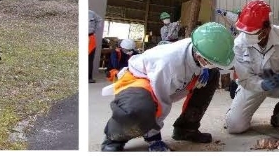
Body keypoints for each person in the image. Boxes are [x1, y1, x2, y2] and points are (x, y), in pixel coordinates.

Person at [99, 22, 235, 152]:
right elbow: (161, 101)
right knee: (138, 109)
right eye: (210, 62)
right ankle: (114, 138)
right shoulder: (169, 65)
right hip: (140, 77)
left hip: (180, 72)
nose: (213, 64)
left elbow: (203, 60)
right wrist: (154, 136)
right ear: (201, 57)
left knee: (212, 74)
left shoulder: (199, 45)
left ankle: (186, 129)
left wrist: (203, 69)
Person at [224, 0, 279, 134]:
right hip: (253, 84)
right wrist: (263, 85)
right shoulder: (239, 44)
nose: (248, 35)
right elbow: (246, 78)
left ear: (268, 26)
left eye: (253, 31)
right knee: (235, 126)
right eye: (246, 31)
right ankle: (234, 111)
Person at [88, 10, 103, 83]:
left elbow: (99, 20)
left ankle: (89, 77)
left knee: (89, 59)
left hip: (90, 37)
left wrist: (94, 29)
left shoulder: (91, 13)